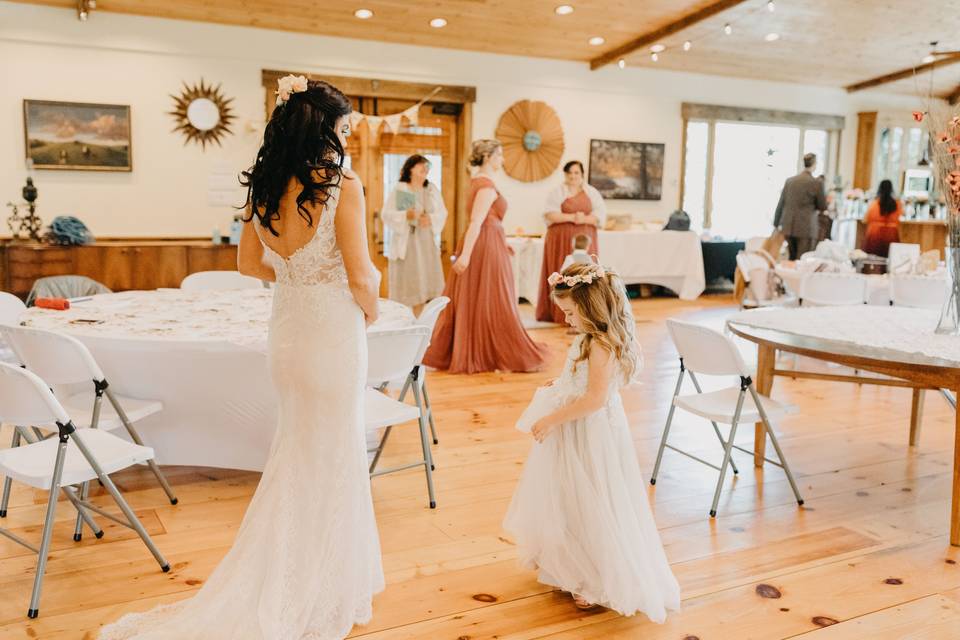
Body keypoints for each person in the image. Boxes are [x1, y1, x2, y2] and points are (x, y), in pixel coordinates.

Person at [98, 76, 383, 640]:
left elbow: (248, 266)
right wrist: (365, 305)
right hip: (331, 335)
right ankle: (319, 587)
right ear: (326, 128)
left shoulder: (267, 185)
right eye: (344, 125)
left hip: (289, 333)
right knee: (333, 454)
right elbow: (362, 274)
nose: (347, 135)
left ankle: (301, 575)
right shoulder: (340, 186)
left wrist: (297, 274)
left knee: (299, 452)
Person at [503, 261, 681, 620]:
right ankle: (567, 560)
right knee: (569, 494)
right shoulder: (586, 338)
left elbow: (596, 399)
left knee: (594, 497)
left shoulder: (602, 344)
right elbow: (580, 381)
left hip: (591, 432)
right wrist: (561, 385)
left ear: (592, 307)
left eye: (571, 312)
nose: (567, 320)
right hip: (576, 428)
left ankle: (592, 575)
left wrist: (551, 419)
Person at [423, 139, 546, 374]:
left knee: (487, 296)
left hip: (491, 242)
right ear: (488, 157)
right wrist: (465, 256)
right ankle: (491, 352)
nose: (503, 160)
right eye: (499, 155)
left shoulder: (479, 181)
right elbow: (477, 222)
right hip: (484, 244)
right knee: (493, 296)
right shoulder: (486, 185)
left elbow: (487, 220)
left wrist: (502, 243)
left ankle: (486, 348)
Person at [536, 161, 606, 323]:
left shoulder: (592, 193)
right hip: (561, 240)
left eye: (577, 173)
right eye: (570, 173)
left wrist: (584, 219)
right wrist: (573, 218)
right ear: (565, 175)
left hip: (586, 240)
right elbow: (550, 215)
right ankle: (561, 314)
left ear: (582, 175)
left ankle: (586, 314)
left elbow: (599, 216)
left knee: (585, 275)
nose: (573, 176)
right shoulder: (557, 192)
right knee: (562, 273)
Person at [382, 154, 447, 314]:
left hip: (426, 242)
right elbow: (386, 214)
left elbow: (442, 212)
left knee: (427, 284)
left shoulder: (430, 189)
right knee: (408, 285)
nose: (425, 170)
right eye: (421, 166)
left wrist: (430, 219)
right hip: (407, 242)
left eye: (427, 167)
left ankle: (424, 319)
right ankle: (405, 320)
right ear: (411, 168)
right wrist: (405, 216)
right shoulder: (400, 188)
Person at [774, 153, 827, 260]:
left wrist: (776, 223)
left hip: (788, 227)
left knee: (792, 260)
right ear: (815, 164)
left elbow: (781, 204)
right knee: (803, 262)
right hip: (806, 228)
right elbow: (822, 206)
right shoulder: (816, 183)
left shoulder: (790, 181)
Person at [863, 179, 903, 257]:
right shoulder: (897, 204)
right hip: (891, 234)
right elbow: (899, 216)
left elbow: (866, 218)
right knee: (890, 257)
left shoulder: (874, 203)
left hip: (874, 234)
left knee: (873, 258)